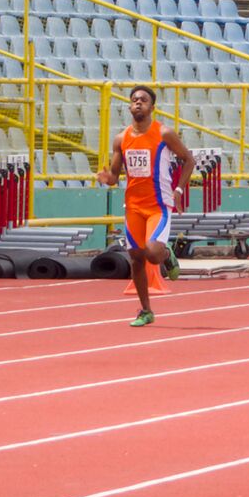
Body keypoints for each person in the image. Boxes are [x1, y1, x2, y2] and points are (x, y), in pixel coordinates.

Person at [97, 86, 195, 326]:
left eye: (143, 100)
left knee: (152, 253)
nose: (138, 103)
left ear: (152, 107)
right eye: (134, 100)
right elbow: (115, 176)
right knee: (136, 258)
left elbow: (189, 160)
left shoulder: (164, 133)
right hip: (133, 206)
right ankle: (146, 310)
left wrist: (179, 189)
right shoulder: (121, 139)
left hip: (158, 205)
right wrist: (107, 179)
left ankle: (166, 253)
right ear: (130, 106)